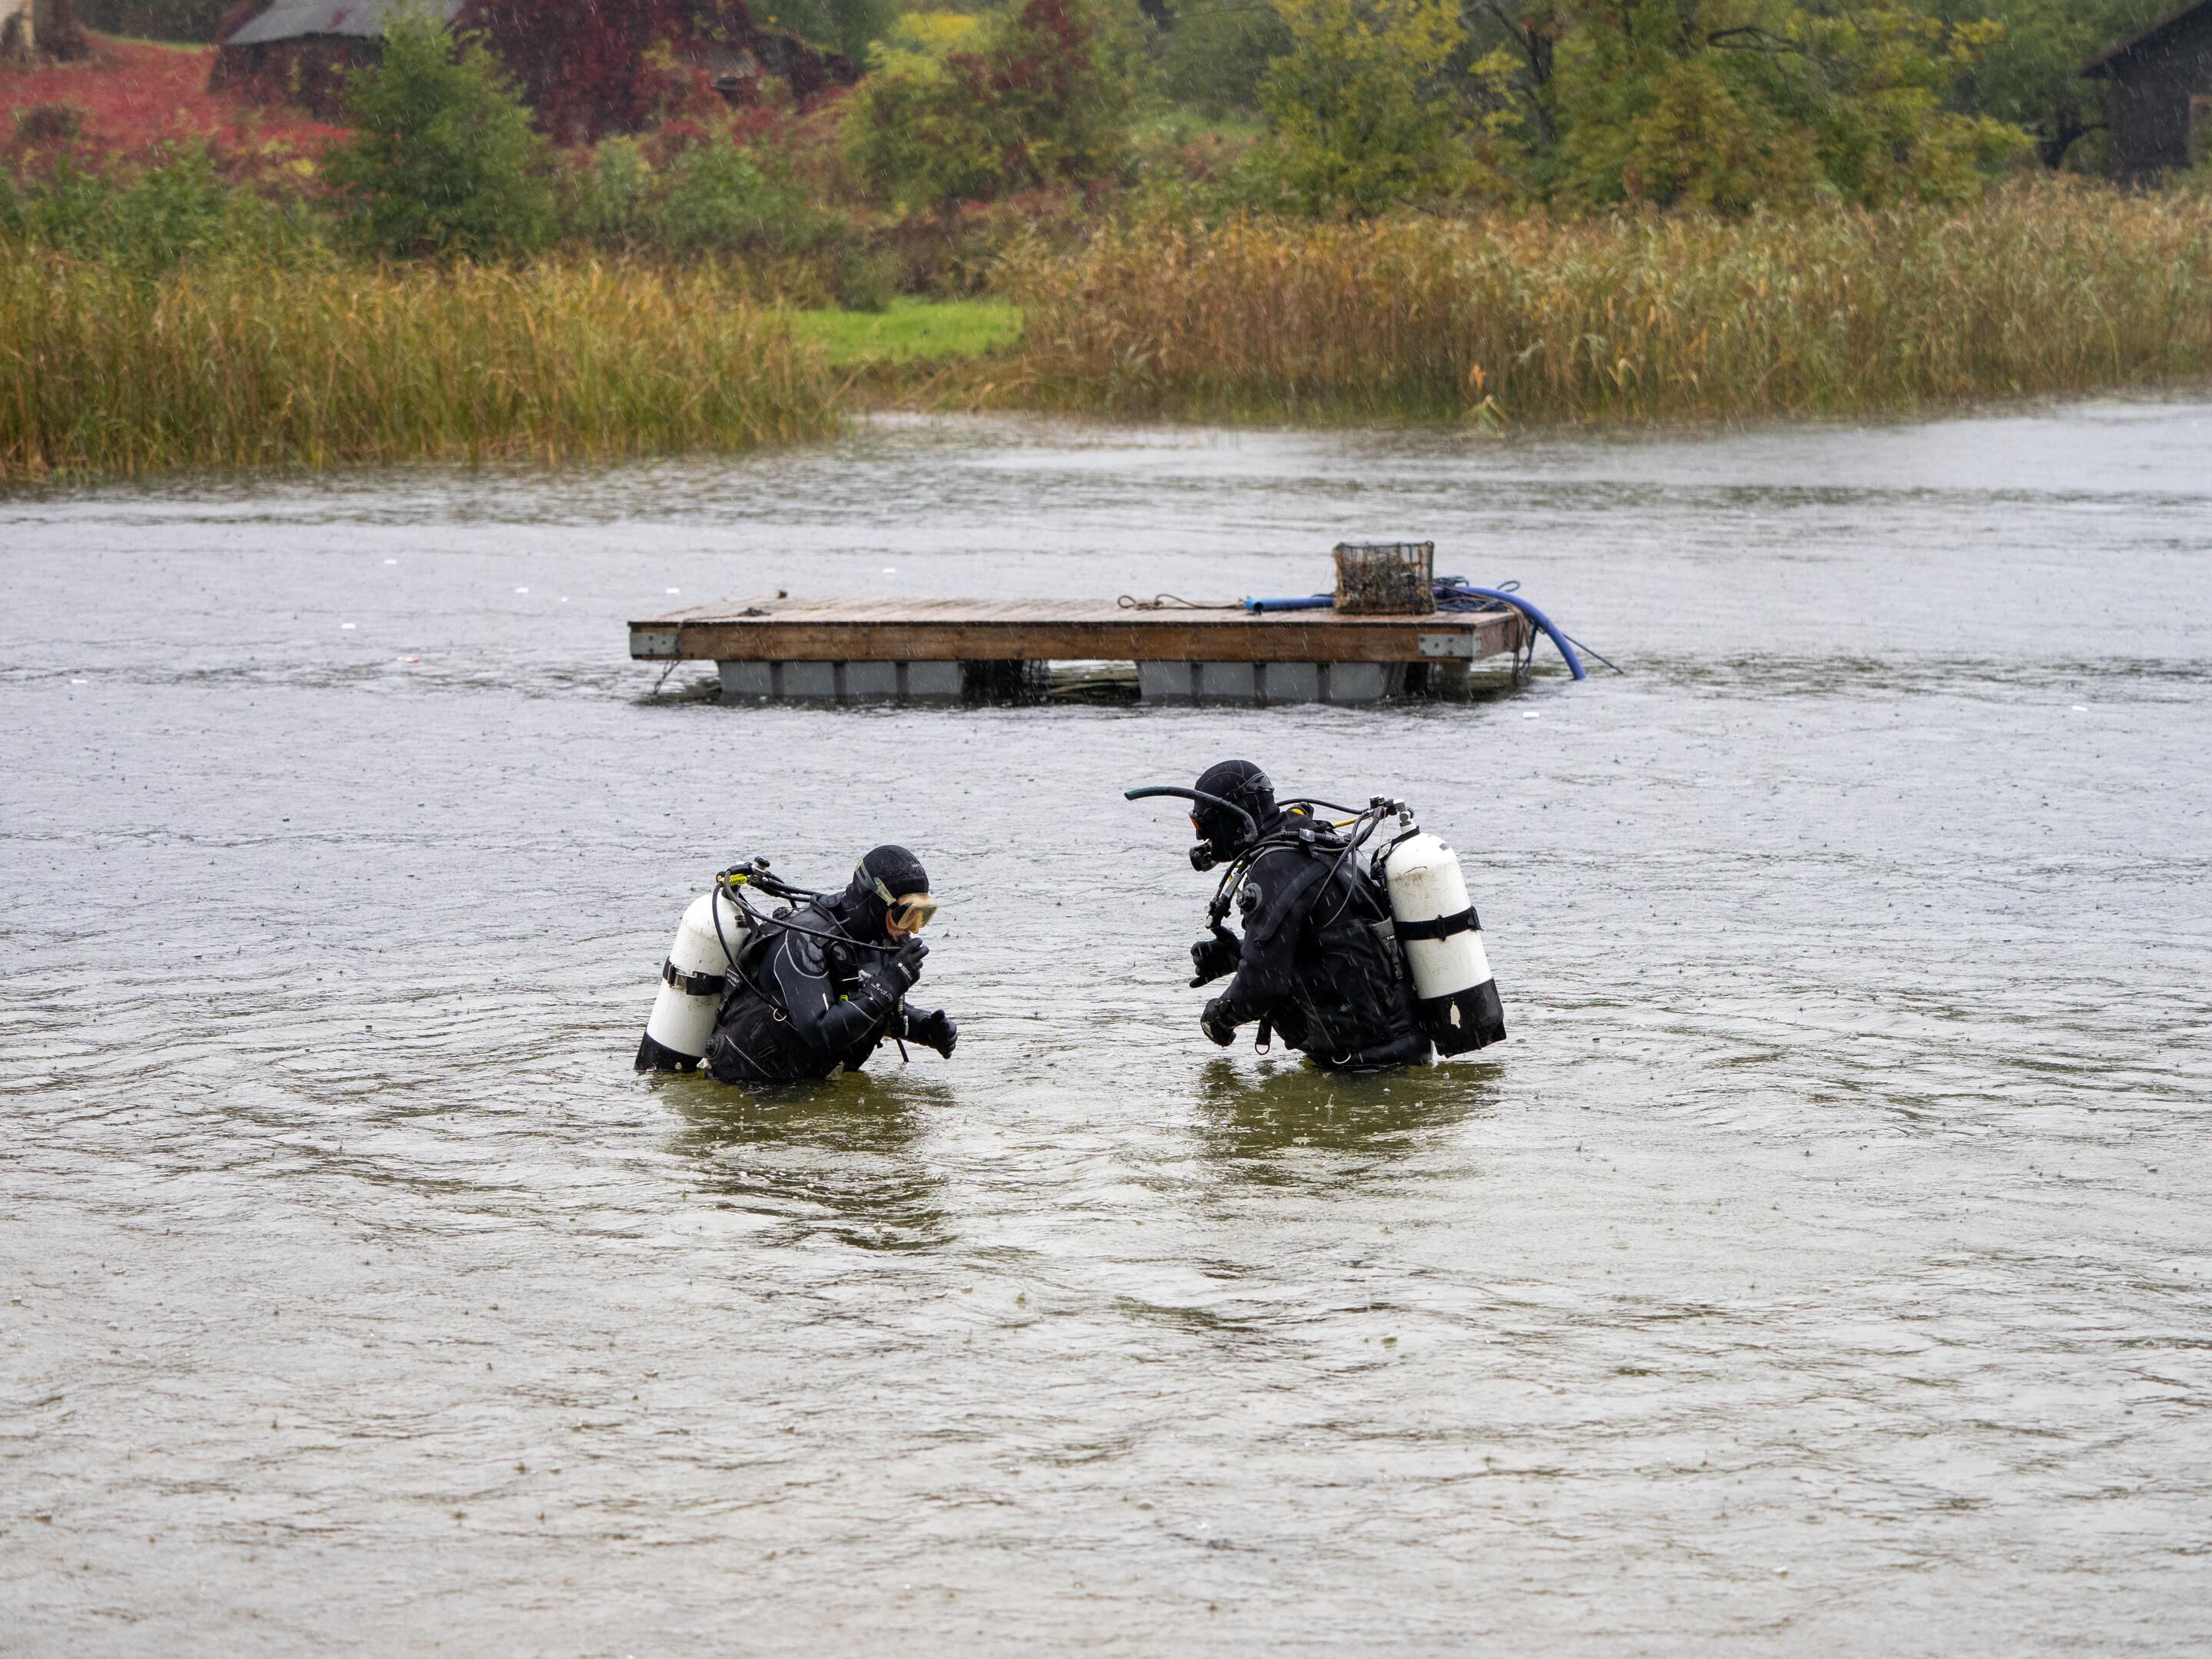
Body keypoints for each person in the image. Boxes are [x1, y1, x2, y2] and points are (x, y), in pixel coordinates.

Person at [1180, 760, 1431, 1072]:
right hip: (1401, 1049)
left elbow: (1262, 988)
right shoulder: (1313, 844)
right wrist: (1238, 954)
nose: (1200, 836)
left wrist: (1217, 1018)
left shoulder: (1275, 868)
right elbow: (1328, 939)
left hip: (1367, 1070)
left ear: (1229, 817)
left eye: (1199, 823)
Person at [705, 844, 958, 1084]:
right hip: (747, 1087)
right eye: (905, 915)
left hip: (806, 1085)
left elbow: (863, 1005)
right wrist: (890, 983)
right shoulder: (803, 941)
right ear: (875, 902)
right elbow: (821, 1031)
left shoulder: (873, 938)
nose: (913, 929)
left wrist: (922, 1027)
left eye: (922, 915)